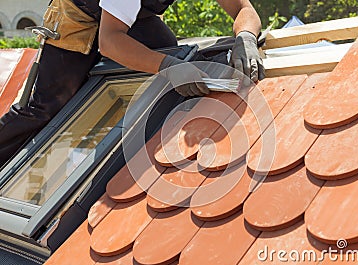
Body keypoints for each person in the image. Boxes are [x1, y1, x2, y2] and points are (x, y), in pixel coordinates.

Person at [0, 0, 265, 167]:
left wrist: (246, 36)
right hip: (77, 17)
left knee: (170, 51)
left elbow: (244, 9)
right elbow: (110, 40)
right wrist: (169, 68)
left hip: (133, 17)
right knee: (47, 106)